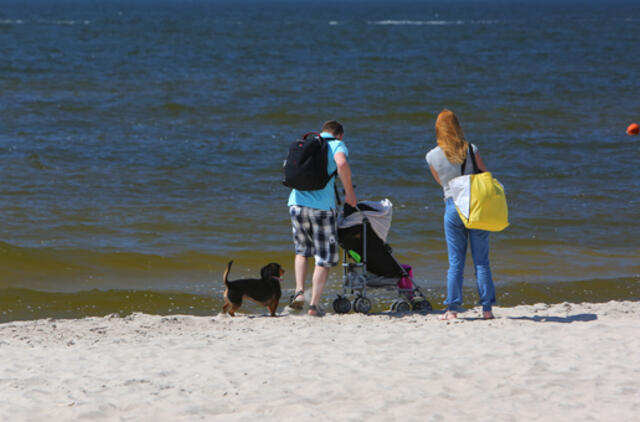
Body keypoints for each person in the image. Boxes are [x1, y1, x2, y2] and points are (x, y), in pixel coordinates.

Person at [425, 109, 496, 320]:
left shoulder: (431, 156)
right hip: (474, 206)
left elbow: (441, 183)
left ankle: (452, 309)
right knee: (481, 261)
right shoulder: (470, 149)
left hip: (452, 206)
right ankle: (487, 310)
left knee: (455, 261)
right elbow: (484, 174)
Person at [287, 120, 357, 316]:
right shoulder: (336, 144)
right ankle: (314, 306)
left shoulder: (308, 144)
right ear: (340, 135)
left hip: (296, 204)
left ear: (322, 131)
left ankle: (299, 292)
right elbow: (341, 163)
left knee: (302, 251)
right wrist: (349, 192)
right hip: (321, 209)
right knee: (323, 258)